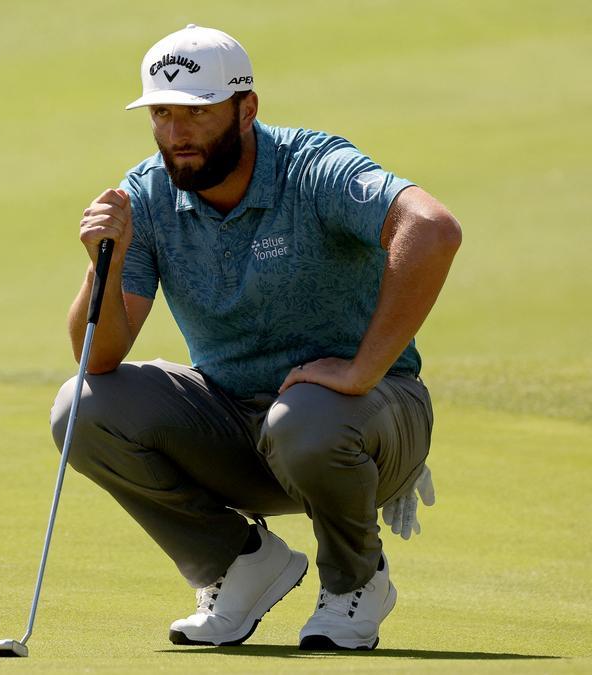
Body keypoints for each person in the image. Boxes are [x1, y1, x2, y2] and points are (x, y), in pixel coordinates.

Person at [51, 24, 460, 651]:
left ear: (247, 109)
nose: (177, 133)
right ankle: (241, 566)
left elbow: (431, 228)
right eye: (162, 113)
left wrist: (362, 372)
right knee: (81, 405)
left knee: (307, 419)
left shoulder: (313, 167)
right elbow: (99, 355)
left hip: (361, 423)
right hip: (241, 430)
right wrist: (102, 260)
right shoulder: (146, 196)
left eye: (197, 113)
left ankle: (356, 581)